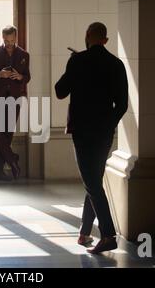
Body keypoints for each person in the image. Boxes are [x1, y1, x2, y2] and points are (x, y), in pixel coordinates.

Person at [55, 22, 128, 254]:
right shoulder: (116, 65)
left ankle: (108, 235)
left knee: (92, 182)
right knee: (93, 179)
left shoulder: (77, 61)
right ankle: (85, 232)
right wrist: (108, 125)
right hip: (104, 132)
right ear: (105, 40)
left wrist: (73, 68)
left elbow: (59, 91)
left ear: (87, 36)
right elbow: (122, 105)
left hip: (82, 130)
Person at [0, 26, 31, 181]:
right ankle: (12, 159)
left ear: (16, 37)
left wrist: (20, 77)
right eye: (6, 40)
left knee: (7, 135)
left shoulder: (24, 55)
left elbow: (28, 76)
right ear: (2, 37)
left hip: (14, 99)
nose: (9, 43)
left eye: (12, 40)